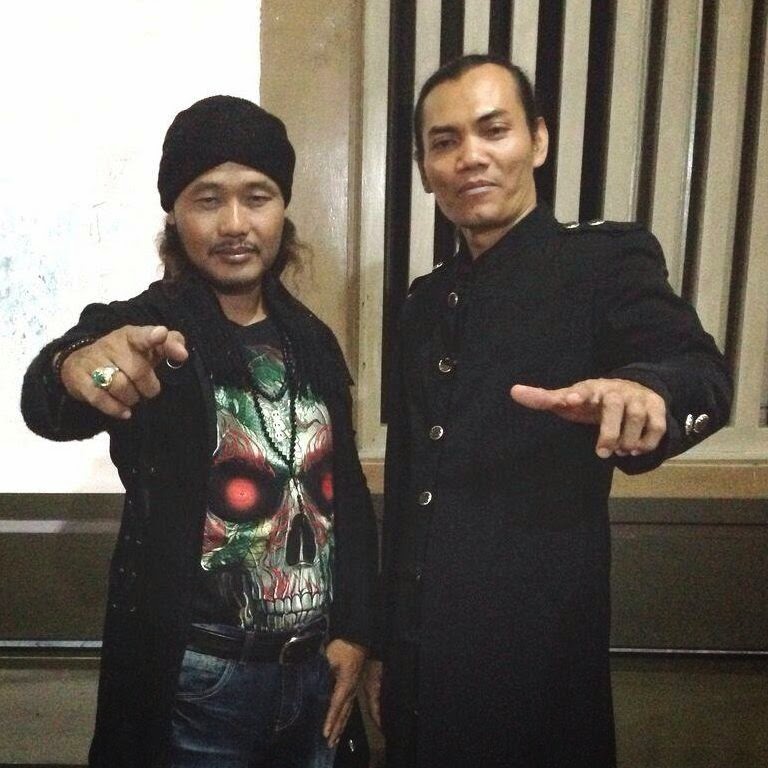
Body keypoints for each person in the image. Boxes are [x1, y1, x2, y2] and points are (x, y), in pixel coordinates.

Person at [364, 55, 732, 767]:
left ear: (537, 140)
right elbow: (410, 488)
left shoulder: (601, 263)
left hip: (536, 666)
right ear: (425, 169)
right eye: (445, 142)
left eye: (493, 130)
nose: (470, 156)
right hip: (418, 664)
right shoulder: (422, 303)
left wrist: (649, 393)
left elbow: (699, 370)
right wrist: (384, 645)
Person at [21, 95, 377, 768]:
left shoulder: (312, 339)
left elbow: (348, 495)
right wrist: (78, 367)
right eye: (207, 199)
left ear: (283, 208)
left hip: (314, 675)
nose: (235, 223)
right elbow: (47, 402)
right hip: (197, 683)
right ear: (174, 214)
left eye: (257, 197)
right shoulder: (145, 327)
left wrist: (357, 631)